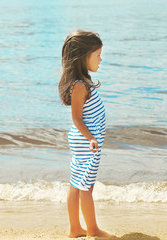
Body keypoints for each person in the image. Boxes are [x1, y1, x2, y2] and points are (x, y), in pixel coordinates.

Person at [58, 30, 116, 238]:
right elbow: (77, 118)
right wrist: (91, 138)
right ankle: (93, 229)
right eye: (98, 55)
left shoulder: (84, 81)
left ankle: (75, 228)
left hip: (85, 140)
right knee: (86, 187)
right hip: (86, 141)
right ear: (83, 57)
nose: (101, 59)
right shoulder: (80, 86)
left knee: (77, 183)